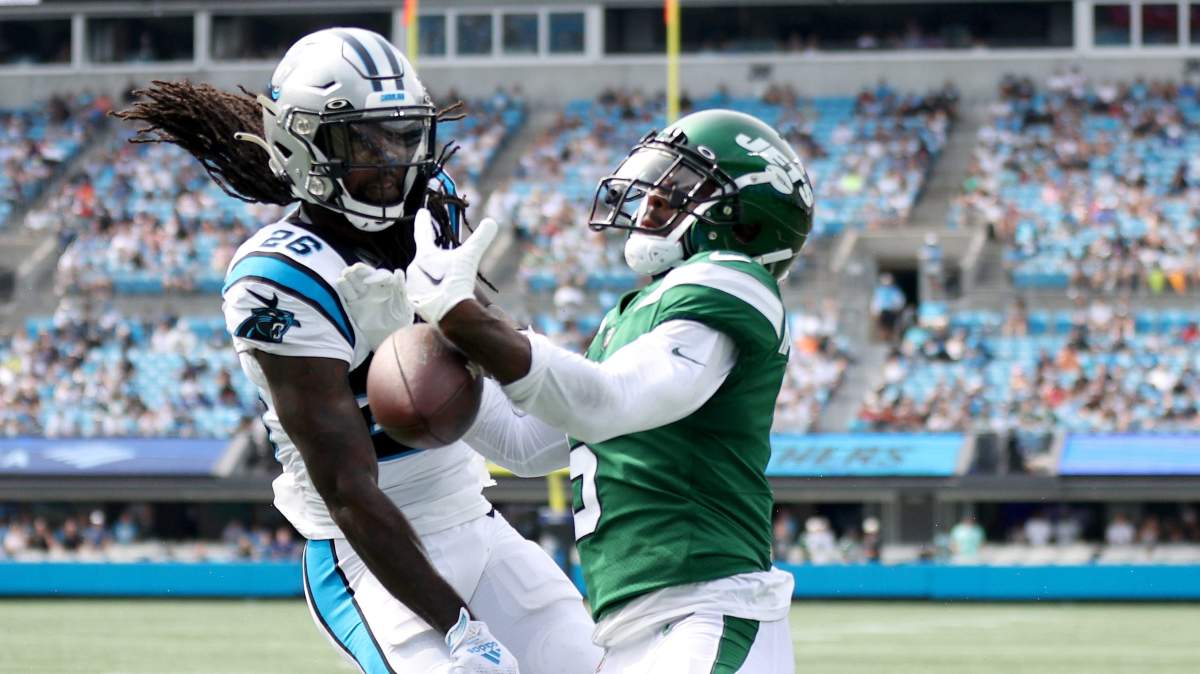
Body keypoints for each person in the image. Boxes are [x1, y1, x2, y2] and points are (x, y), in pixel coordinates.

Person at [116, 28, 599, 674]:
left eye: (401, 136)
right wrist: (462, 630)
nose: (392, 160)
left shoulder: (429, 212)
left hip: (472, 516)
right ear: (300, 144)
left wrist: (608, 393)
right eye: (364, 142)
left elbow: (515, 421)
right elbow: (347, 489)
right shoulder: (279, 276)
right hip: (367, 555)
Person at [408, 109, 814, 671]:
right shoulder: (631, 316)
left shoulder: (731, 278)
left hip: (708, 612)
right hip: (630, 633)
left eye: (680, 186)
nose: (653, 198)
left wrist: (465, 316)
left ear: (740, 224)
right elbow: (524, 444)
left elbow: (608, 402)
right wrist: (424, 335)